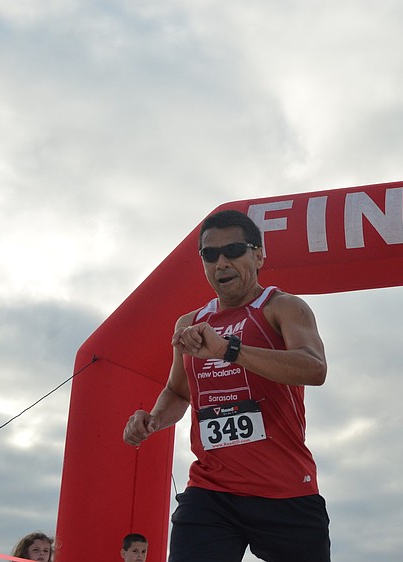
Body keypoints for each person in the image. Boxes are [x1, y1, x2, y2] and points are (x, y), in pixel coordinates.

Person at [123, 209, 331, 562]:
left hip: (283, 489)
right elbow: (178, 391)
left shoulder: (283, 307)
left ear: (259, 254)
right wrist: (154, 419)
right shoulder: (190, 323)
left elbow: (314, 368)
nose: (221, 263)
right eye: (210, 254)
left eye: (234, 251)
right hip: (211, 490)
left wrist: (229, 350)